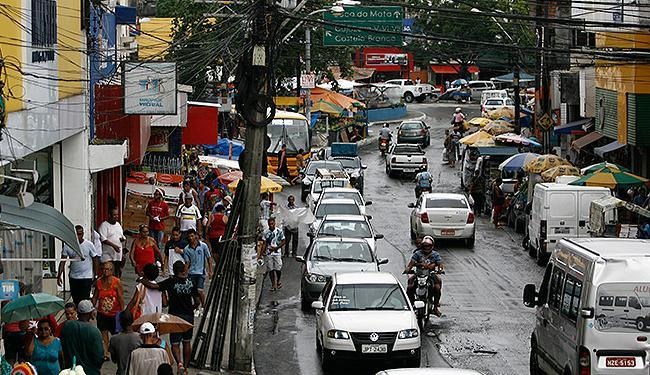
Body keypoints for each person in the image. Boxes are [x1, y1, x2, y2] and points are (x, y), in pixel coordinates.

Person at [157, 261, 200, 374]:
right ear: (183, 270)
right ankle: (185, 368)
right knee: (187, 342)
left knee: (175, 343)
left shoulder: (170, 281)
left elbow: (155, 286)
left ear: (174, 271)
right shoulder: (191, 282)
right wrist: (191, 308)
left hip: (174, 316)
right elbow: (197, 301)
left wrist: (143, 280)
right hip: (188, 316)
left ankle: (179, 363)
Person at [57, 225, 101, 305]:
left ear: (83, 234)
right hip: (74, 277)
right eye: (77, 234)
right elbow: (63, 261)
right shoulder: (68, 246)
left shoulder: (89, 245)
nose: (78, 236)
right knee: (75, 299)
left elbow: (95, 259)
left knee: (84, 299)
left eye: (80, 234)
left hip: (86, 277)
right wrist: (59, 275)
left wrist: (96, 275)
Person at [60, 300, 104, 375]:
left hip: (71, 371)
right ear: (90, 313)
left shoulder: (67, 327)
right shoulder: (94, 332)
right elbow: (99, 358)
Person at [403, 236, 444, 317]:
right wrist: (408, 269)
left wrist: (439, 269)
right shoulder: (417, 254)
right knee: (410, 286)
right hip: (418, 274)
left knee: (437, 287)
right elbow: (411, 264)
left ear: (432, 246)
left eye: (428, 246)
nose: (426, 248)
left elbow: (440, 264)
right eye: (425, 246)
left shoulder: (435, 254)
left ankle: (435, 307)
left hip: (431, 275)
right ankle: (410, 305)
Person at [92, 262, 124, 361]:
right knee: (103, 334)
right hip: (102, 313)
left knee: (115, 336)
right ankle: (106, 353)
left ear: (112, 271)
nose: (106, 271)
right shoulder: (98, 282)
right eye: (104, 269)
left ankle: (115, 352)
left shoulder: (116, 282)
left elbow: (120, 298)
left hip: (115, 313)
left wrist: (122, 312)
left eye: (108, 269)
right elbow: (95, 296)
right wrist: (92, 308)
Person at [183, 229, 212, 311]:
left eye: (192, 236)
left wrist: (210, 270)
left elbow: (209, 258)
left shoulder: (203, 246)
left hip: (201, 272)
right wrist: (185, 273)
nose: (191, 238)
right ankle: (197, 306)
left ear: (195, 235)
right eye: (189, 237)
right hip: (191, 272)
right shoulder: (186, 249)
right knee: (193, 292)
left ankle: (204, 307)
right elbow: (187, 262)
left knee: (199, 290)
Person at [109, 310, 141, 375]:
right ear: (133, 320)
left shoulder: (114, 339)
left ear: (120, 322)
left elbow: (114, 360)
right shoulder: (140, 338)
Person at [98, 208, 127, 278]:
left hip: (117, 255)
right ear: (109, 215)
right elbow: (103, 239)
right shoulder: (104, 225)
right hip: (108, 255)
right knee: (108, 272)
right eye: (114, 215)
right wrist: (114, 246)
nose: (116, 216)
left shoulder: (118, 225)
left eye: (117, 214)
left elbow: (121, 235)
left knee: (117, 273)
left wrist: (123, 239)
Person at [259, 217, 285, 291]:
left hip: (277, 253)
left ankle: (278, 281)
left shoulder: (279, 231)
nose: (271, 225)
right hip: (269, 253)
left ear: (274, 223)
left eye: (272, 224)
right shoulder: (266, 232)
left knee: (278, 269)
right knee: (270, 269)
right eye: (270, 224)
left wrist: (276, 248)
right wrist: (261, 254)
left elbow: (283, 241)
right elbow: (264, 243)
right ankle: (273, 284)